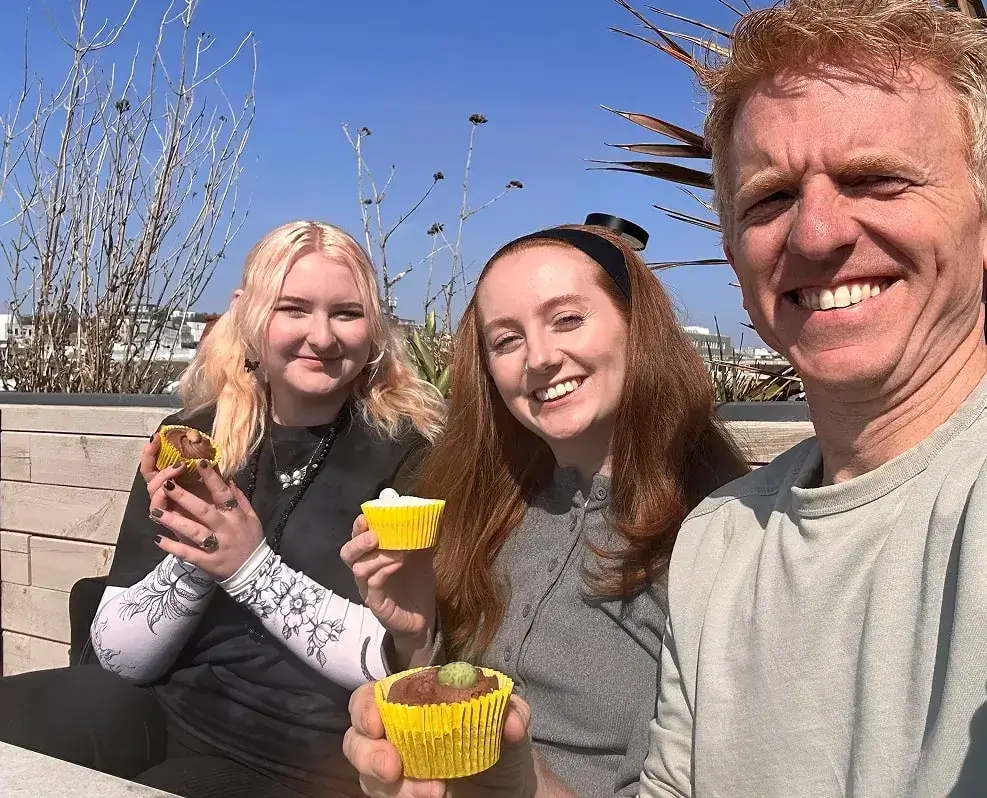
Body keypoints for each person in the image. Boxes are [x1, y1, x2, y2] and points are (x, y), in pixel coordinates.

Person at [349, 0, 987, 795]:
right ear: (731, 252)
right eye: (769, 198)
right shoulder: (724, 541)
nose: (815, 234)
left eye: (876, 179)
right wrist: (482, 752)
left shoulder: (695, 519)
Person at [0, 221, 445, 797]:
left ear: (375, 328)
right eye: (293, 308)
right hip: (158, 708)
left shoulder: (411, 455)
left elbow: (400, 658)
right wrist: (195, 555)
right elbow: (117, 661)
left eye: (346, 312)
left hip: (300, 756)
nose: (321, 335)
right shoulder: (191, 437)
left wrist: (247, 567)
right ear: (250, 316)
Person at [340, 222, 750, 796]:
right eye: (505, 340)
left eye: (567, 319)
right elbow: (450, 733)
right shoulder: (488, 510)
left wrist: (523, 786)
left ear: (639, 328)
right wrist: (417, 633)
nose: (538, 357)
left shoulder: (721, 538)